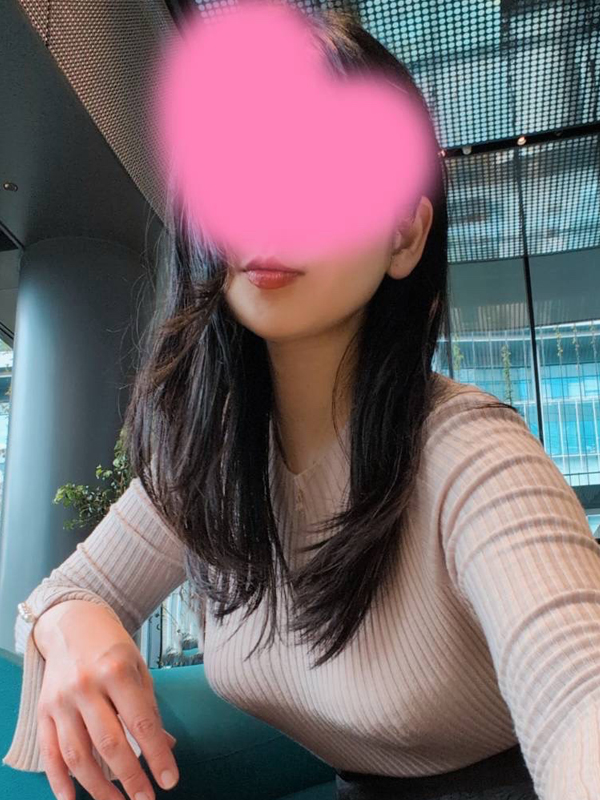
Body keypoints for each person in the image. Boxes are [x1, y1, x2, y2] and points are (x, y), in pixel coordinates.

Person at [3, 7, 600, 800]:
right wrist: (67, 621)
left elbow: (580, 697)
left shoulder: (470, 457)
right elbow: (61, 594)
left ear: (404, 236)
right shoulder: (209, 457)